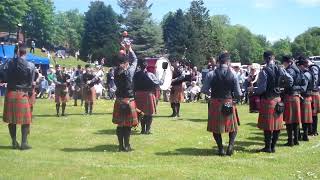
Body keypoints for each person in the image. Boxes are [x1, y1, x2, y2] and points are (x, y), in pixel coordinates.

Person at [250, 51, 293, 153]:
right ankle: (273, 147)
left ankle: (268, 147)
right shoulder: (280, 68)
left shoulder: (264, 71)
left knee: (267, 126)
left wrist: (253, 90)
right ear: (273, 58)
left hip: (268, 100)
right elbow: (290, 81)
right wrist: (281, 88)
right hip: (278, 99)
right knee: (277, 125)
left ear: (265, 59)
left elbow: (262, 89)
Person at [201, 52, 241, 156]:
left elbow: (204, 90)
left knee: (216, 128)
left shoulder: (211, 74)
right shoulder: (234, 74)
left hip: (215, 102)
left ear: (219, 62)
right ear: (228, 62)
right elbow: (238, 93)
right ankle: (230, 146)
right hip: (228, 102)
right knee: (233, 127)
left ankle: (221, 149)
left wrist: (211, 93)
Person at [3, 44, 35, 150]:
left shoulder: (9, 63)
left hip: (10, 92)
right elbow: (31, 83)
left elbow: (2, 74)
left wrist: (12, 60)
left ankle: (13, 141)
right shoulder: (30, 65)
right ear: (25, 52)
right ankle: (24, 143)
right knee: (25, 121)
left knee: (11, 120)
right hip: (22, 93)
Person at [112, 45, 138, 152]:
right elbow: (135, 60)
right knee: (127, 125)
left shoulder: (115, 71)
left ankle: (120, 146)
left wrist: (125, 52)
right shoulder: (130, 72)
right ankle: (127, 146)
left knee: (120, 125)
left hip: (119, 100)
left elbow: (127, 62)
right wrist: (130, 49)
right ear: (126, 63)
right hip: (129, 100)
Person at [134, 59, 164, 134]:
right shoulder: (149, 74)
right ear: (146, 66)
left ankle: (143, 129)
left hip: (138, 95)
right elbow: (159, 83)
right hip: (148, 95)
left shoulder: (135, 75)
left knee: (141, 113)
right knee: (149, 114)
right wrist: (164, 74)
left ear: (139, 66)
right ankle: (147, 130)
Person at [281, 55, 304, 146]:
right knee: (296, 120)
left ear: (286, 62)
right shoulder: (298, 70)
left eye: (283, 62)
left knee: (289, 120)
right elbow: (302, 83)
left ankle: (290, 141)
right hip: (296, 96)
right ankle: (296, 139)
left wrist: (282, 85)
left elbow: (288, 83)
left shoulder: (289, 70)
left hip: (290, 96)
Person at [296, 57, 313, 141]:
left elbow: (303, 88)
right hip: (306, 97)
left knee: (303, 118)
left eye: (298, 66)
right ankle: (303, 135)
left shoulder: (306, 74)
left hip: (304, 97)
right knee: (304, 118)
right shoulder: (307, 73)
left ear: (302, 65)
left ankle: (304, 136)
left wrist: (294, 88)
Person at [308, 61, 320, 136]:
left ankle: (313, 130)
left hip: (313, 92)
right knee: (312, 113)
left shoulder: (313, 68)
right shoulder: (314, 67)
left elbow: (315, 81)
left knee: (313, 113)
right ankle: (312, 130)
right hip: (315, 92)